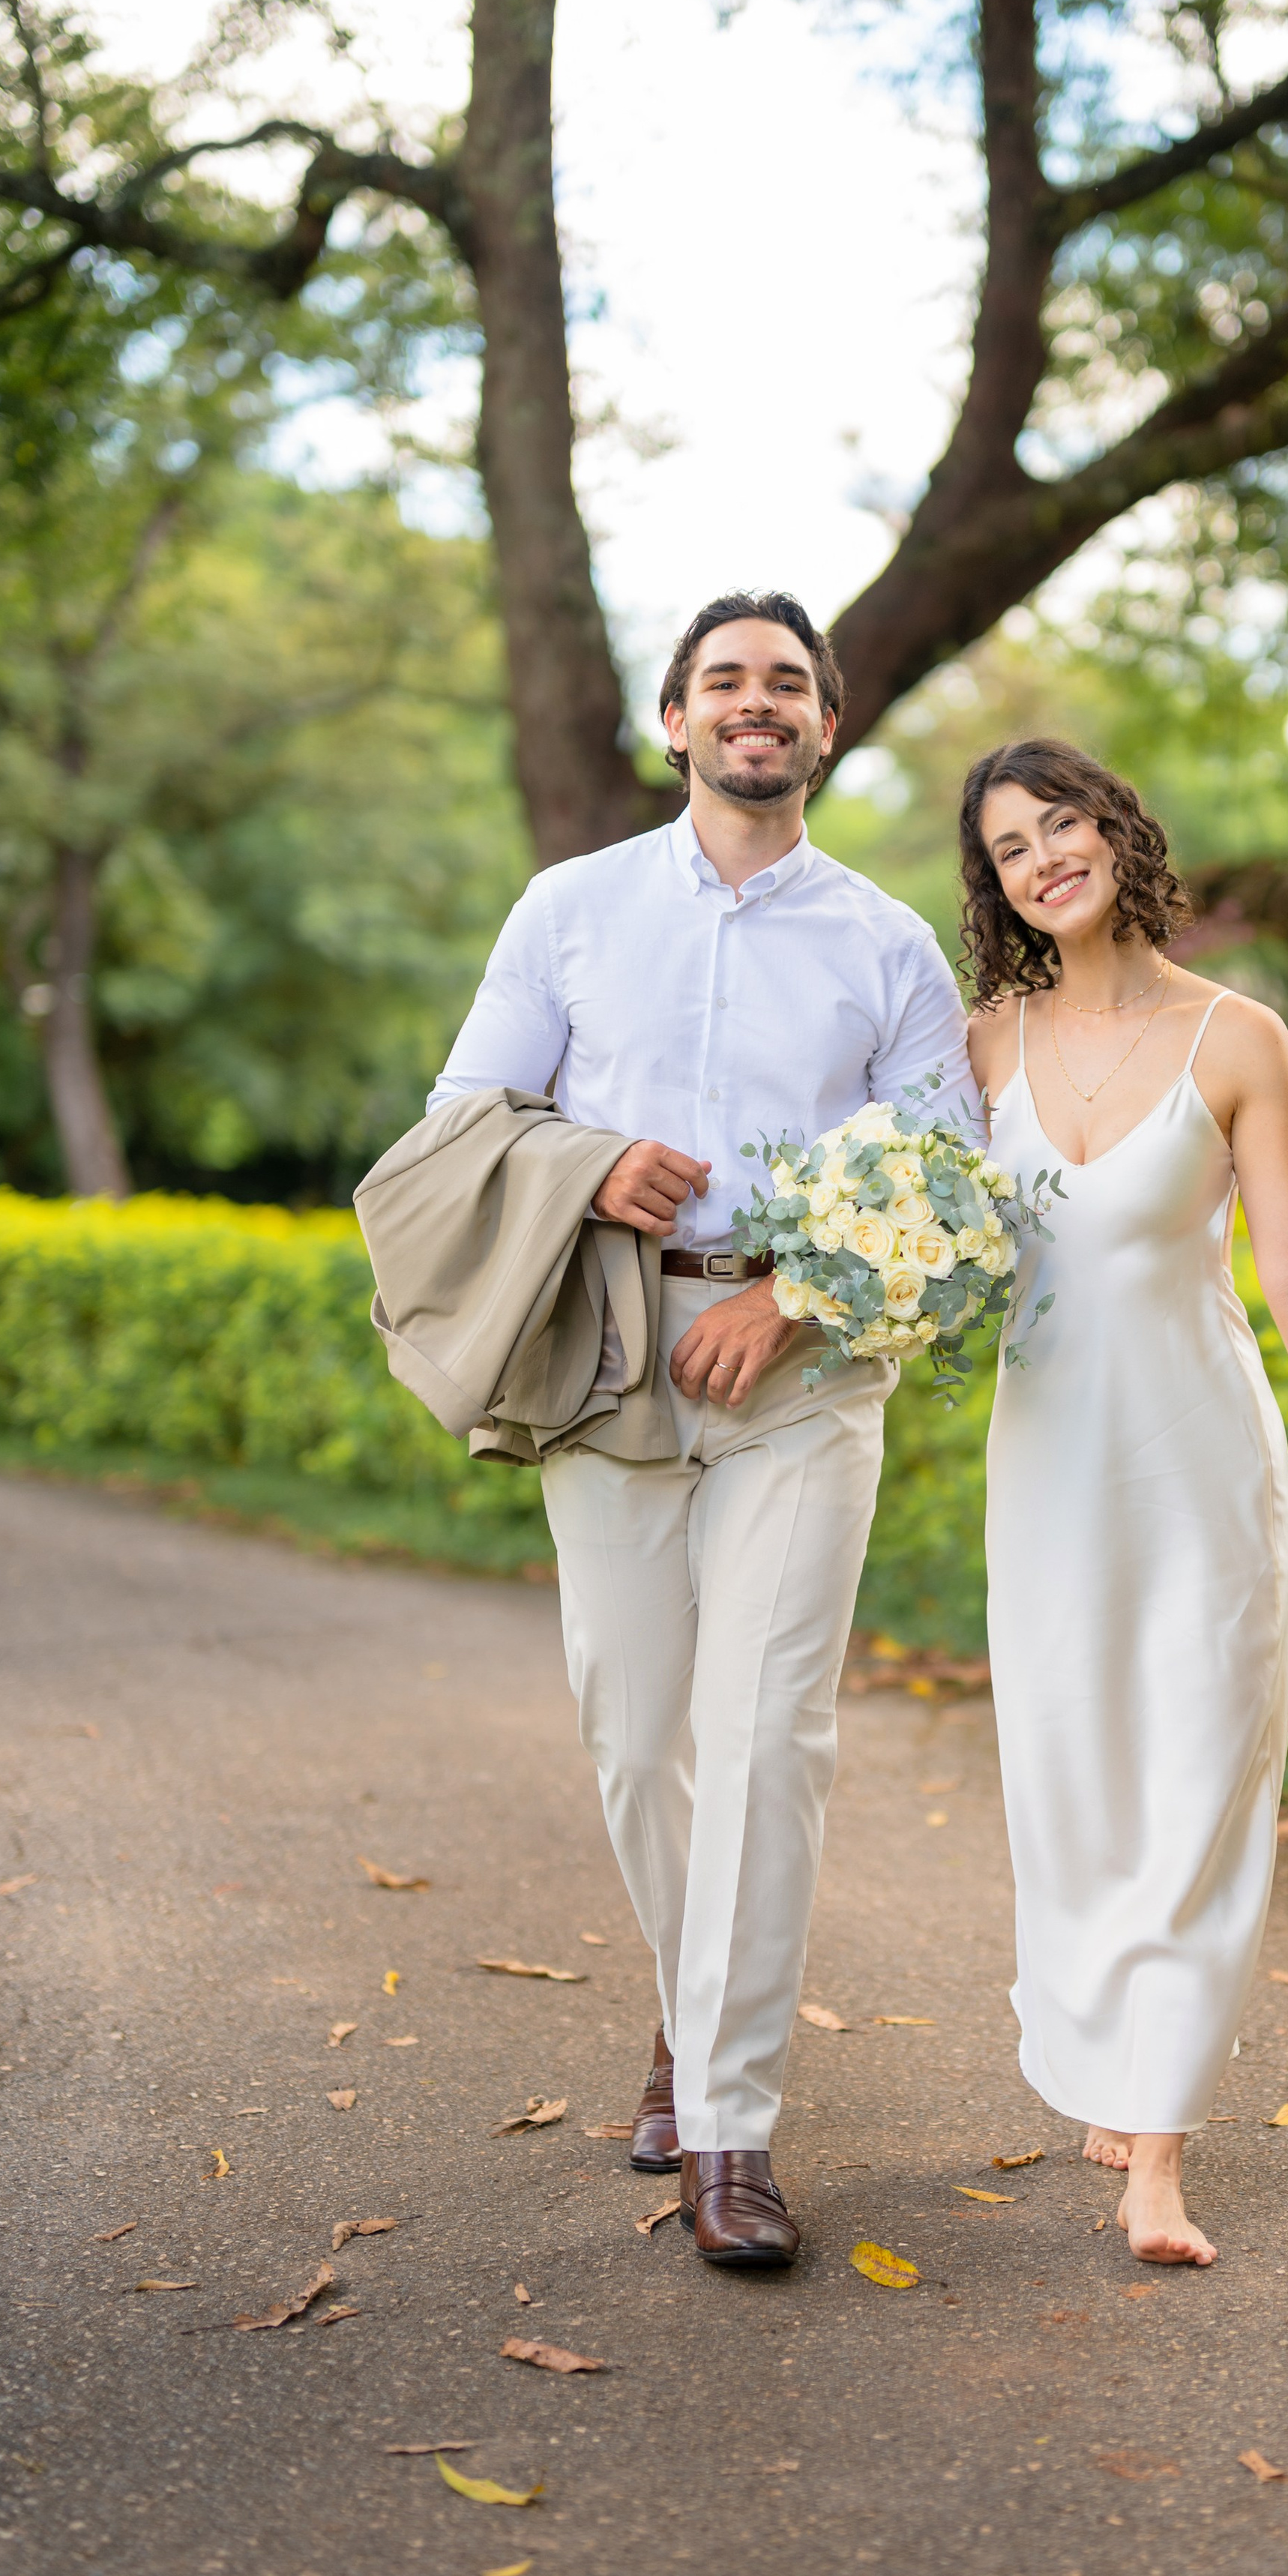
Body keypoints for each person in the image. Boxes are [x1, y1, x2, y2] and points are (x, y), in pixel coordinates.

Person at [431, 592, 977, 2268]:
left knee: (764, 1736)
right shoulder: (572, 909)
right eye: (725, 681)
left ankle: (730, 2129)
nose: (757, 705)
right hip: (606, 1350)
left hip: (801, 1376)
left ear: (826, 726)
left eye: (787, 685)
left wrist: (793, 1302)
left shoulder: (886, 942)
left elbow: (949, 1183)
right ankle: (693, 2003)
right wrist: (589, 1165)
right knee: (632, 1723)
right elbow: (464, 1118)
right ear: (675, 719)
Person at [961, 738, 1288, 2267]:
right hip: (1043, 1468)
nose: (1044, 858)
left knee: (1192, 1764)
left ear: (1114, 831)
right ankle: (1109, 2045)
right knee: (1067, 1770)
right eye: (1009, 847)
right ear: (999, 888)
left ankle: (1152, 2146)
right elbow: (911, 1243)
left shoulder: (1237, 1037)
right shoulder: (977, 1051)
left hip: (1197, 1462)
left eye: (1060, 824)